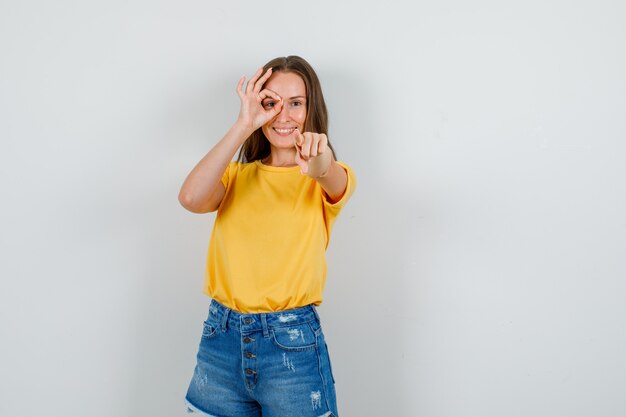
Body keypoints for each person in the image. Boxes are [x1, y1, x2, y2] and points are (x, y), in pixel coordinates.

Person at [178, 55, 356, 417]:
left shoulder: (324, 178)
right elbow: (191, 198)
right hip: (220, 340)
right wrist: (243, 125)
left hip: (291, 344)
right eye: (271, 103)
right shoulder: (235, 178)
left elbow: (327, 173)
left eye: (296, 103)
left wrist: (318, 159)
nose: (284, 115)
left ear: (311, 110)